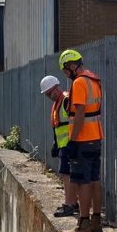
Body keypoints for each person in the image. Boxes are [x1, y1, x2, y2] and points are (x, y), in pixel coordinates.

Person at [58, 49, 104, 232]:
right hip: (96, 137)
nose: (65, 75)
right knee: (94, 180)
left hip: (83, 140)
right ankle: (96, 222)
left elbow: (79, 114)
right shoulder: (93, 80)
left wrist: (73, 141)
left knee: (82, 182)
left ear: (70, 66)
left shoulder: (78, 83)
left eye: (64, 70)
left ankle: (83, 224)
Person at [40, 75, 79, 217]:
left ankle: (70, 204)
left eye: (49, 93)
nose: (48, 97)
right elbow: (59, 126)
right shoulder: (59, 102)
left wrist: (71, 142)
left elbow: (75, 122)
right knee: (67, 174)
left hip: (70, 144)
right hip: (64, 145)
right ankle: (72, 202)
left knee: (67, 174)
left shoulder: (66, 101)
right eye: (46, 95)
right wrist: (56, 144)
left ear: (56, 89)